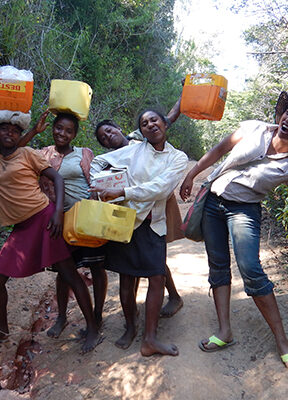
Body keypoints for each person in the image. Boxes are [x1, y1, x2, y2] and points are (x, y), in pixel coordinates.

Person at [180, 92, 288, 367]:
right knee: (218, 265)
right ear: (281, 114)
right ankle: (224, 331)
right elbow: (219, 150)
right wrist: (192, 175)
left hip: (245, 209)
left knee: (251, 267)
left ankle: (282, 341)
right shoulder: (255, 128)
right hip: (214, 201)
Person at [90, 110, 188, 356]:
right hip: (125, 221)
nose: (150, 125)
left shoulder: (178, 157)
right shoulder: (133, 150)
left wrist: (123, 191)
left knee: (156, 277)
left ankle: (150, 339)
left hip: (154, 222)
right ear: (141, 132)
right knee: (126, 276)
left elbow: (162, 188)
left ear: (165, 123)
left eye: (154, 120)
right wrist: (101, 183)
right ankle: (131, 327)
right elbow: (96, 162)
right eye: (143, 123)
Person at [0, 117, 99, 353]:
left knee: (68, 274)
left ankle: (93, 328)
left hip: (44, 219)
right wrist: (32, 130)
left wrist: (56, 212)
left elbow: (57, 178)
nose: (10, 134)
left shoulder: (28, 154)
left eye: (15, 131)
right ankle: (2, 331)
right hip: (22, 227)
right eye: (5, 128)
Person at [18, 111, 108, 337]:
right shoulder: (42, 154)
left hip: (87, 218)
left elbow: (96, 178)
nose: (62, 134)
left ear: (75, 134)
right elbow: (15, 151)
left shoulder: (84, 153)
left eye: (68, 130)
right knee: (64, 271)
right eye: (58, 128)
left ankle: (96, 317)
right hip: (59, 220)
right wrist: (34, 132)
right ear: (52, 128)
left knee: (96, 267)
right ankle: (62, 318)